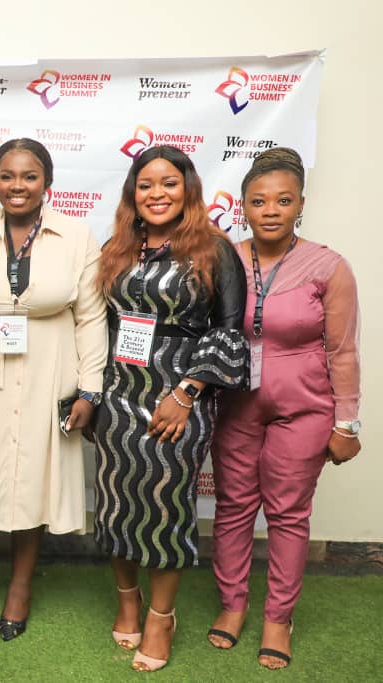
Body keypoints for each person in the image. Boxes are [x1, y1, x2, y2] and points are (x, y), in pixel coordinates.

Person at [0, 138, 107, 641]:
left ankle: (21, 585)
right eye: (7, 175)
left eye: (29, 176)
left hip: (49, 375)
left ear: (46, 182)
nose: (18, 186)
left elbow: (91, 319)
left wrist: (89, 391)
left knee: (33, 479)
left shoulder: (76, 236)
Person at [92, 145, 247, 672]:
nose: (156, 194)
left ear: (188, 189)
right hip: (119, 394)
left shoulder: (213, 248)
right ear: (132, 193)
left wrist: (186, 394)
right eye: (146, 185)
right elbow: (103, 325)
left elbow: (228, 330)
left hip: (178, 396)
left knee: (166, 507)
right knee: (116, 500)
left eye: (169, 183)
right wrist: (93, 393)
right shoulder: (118, 247)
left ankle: (161, 617)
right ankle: (128, 600)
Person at [207, 147, 361, 670]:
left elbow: (343, 350)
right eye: (258, 201)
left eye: (283, 200)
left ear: (300, 205)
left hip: (305, 409)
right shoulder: (224, 258)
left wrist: (347, 422)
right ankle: (233, 605)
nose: (270, 210)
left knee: (289, 514)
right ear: (243, 207)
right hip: (235, 404)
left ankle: (279, 617)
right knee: (232, 507)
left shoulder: (328, 265)